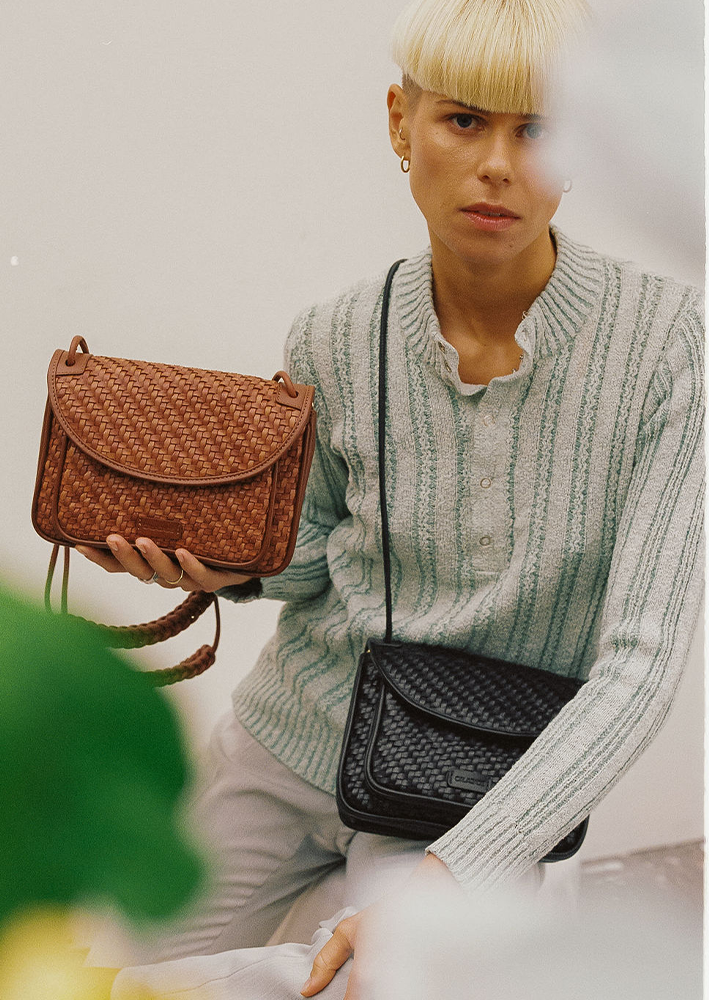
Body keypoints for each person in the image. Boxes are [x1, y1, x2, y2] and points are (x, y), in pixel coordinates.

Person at [83, 0, 704, 995]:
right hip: (287, 738)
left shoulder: (671, 346)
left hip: (474, 787)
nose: (497, 164)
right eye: (464, 119)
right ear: (399, 122)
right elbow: (318, 555)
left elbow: (639, 666)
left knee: (390, 977)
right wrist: (221, 564)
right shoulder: (333, 334)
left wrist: (465, 867)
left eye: (537, 129)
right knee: (89, 958)